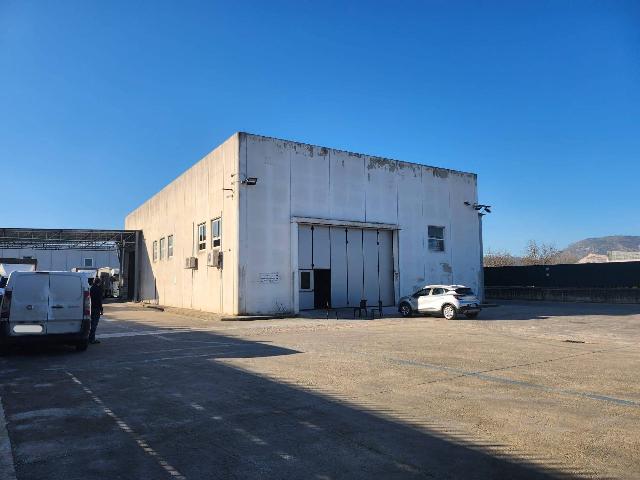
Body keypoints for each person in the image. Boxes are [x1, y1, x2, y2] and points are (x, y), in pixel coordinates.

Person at [89, 277, 103, 344]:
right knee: (94, 324)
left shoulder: (90, 288)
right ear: (99, 282)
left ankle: (89, 338)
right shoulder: (98, 289)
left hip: (90, 308)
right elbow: (99, 300)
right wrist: (101, 309)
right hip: (96, 308)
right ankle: (92, 339)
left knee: (91, 324)